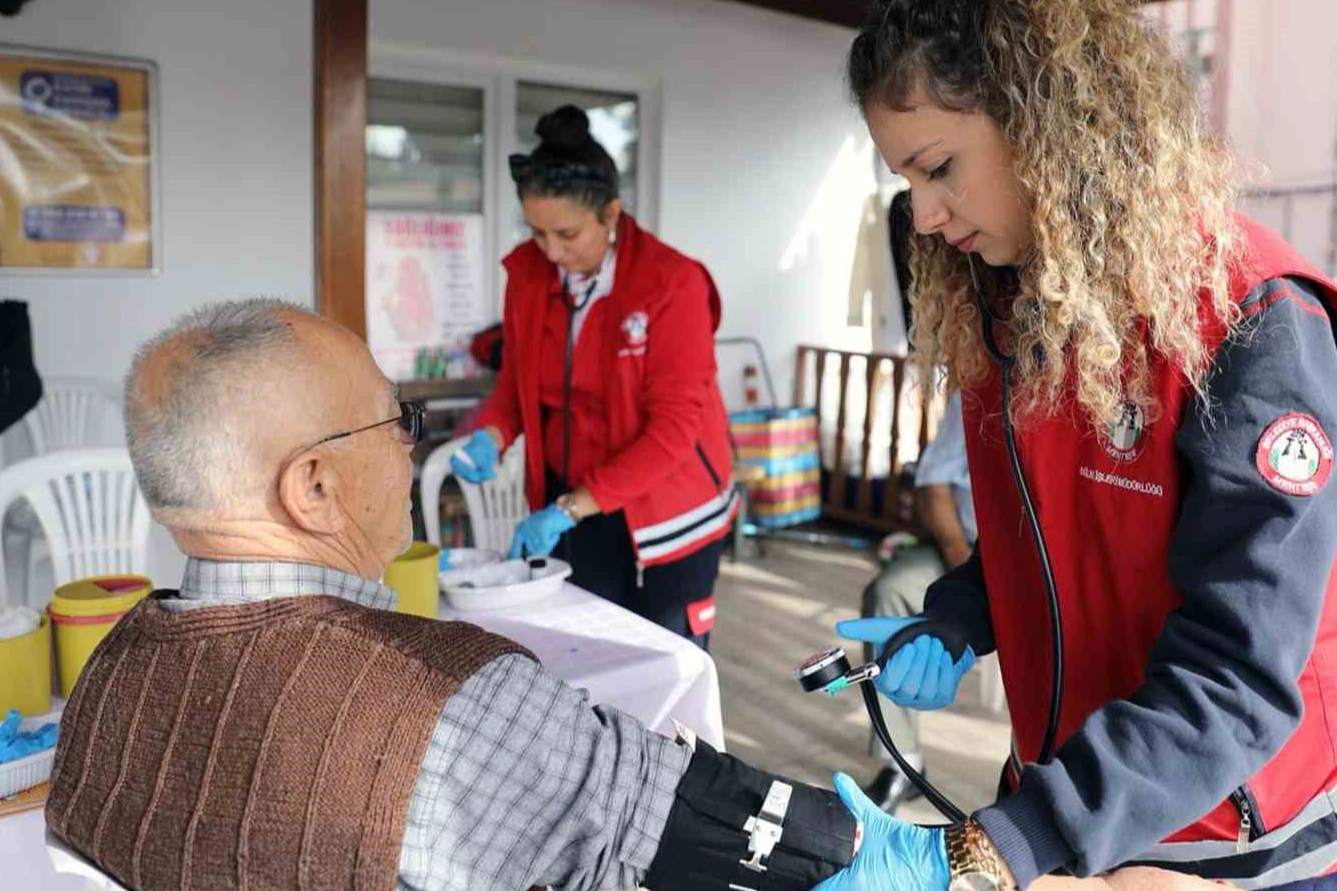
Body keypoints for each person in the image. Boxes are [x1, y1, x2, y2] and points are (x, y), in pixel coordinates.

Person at [45, 298, 862, 891]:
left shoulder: (106, 674)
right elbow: (746, 836)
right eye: (396, 420)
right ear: (315, 485)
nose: (411, 446)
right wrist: (947, 852)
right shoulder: (440, 697)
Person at [822, 1, 1337, 891]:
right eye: (905, 181)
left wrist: (998, 847)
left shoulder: (1252, 319)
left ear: (1046, 125)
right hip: (1058, 798)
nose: (927, 215)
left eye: (938, 168)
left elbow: (1239, 670)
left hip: (1221, 837)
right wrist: (956, 617)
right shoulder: (1015, 311)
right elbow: (1051, 538)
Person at [451, 105, 734, 649]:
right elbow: (517, 386)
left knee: (660, 664)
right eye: (537, 233)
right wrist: (490, 434)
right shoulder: (530, 275)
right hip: (574, 503)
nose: (552, 252)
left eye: (567, 233)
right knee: (584, 660)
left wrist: (569, 508)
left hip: (663, 510)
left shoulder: (672, 284)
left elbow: (672, 431)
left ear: (611, 214)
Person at [858, 389, 976, 813]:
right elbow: (934, 482)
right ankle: (902, 763)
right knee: (889, 592)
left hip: (1042, 559)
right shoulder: (977, 389)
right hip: (964, 547)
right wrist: (963, 562)